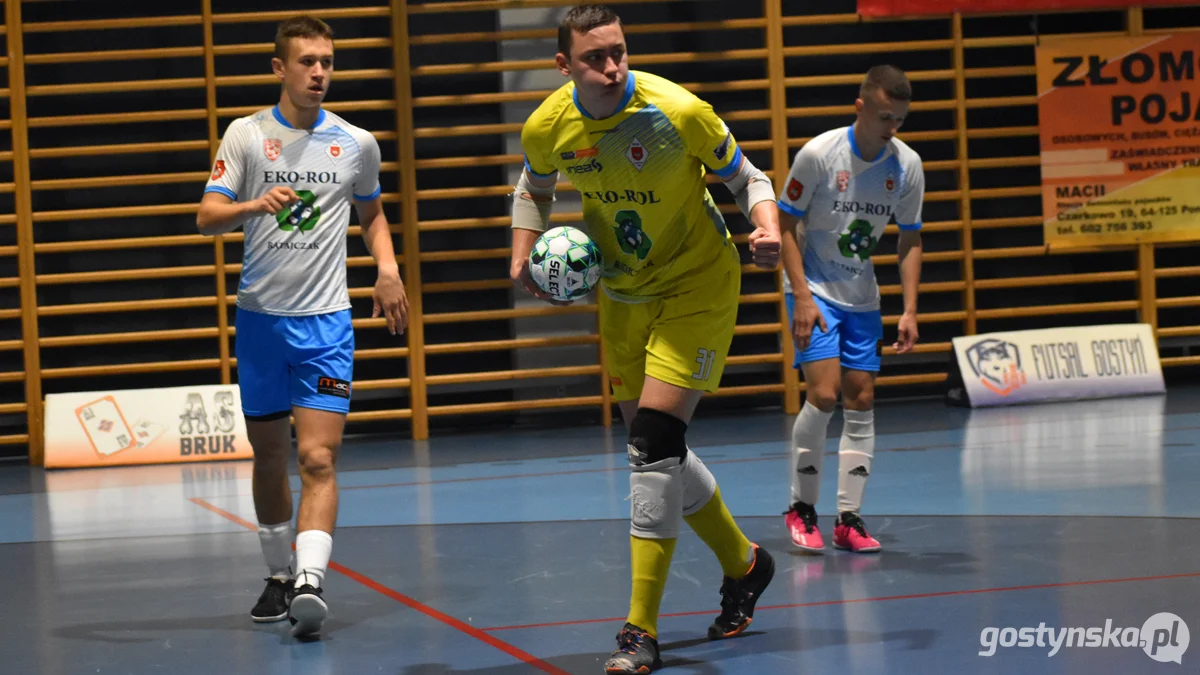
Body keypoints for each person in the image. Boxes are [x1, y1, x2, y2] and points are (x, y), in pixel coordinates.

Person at [509, 5, 781, 673]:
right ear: (563, 64)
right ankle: (746, 563)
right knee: (657, 450)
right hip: (623, 293)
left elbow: (749, 178)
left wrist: (768, 228)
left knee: (653, 442)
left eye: (619, 52)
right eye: (595, 57)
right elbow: (534, 185)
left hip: (697, 283)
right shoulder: (549, 125)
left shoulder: (676, 111)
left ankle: (640, 631)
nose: (612, 67)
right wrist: (521, 256)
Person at [196, 15, 408, 639]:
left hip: (327, 325)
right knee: (269, 457)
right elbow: (206, 217)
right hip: (261, 323)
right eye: (307, 61)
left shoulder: (355, 143)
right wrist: (250, 205)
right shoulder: (246, 136)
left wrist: (388, 268)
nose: (319, 72)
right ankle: (277, 575)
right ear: (279, 69)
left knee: (318, 456)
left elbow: (371, 212)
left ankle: (310, 582)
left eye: (327, 62)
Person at [775, 65, 924, 555]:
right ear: (860, 107)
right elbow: (784, 224)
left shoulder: (906, 167)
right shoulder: (819, 155)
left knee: (860, 400)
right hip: (813, 286)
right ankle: (801, 508)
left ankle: (848, 519)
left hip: (862, 295)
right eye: (885, 116)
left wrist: (909, 310)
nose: (892, 128)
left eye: (899, 119)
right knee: (823, 394)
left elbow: (909, 239)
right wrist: (799, 295)